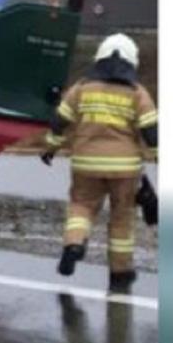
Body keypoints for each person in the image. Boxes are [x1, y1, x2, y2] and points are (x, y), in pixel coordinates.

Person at [42, 33, 158, 292]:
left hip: (86, 164)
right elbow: (151, 131)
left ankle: (74, 244)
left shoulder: (82, 88)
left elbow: (60, 120)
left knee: (81, 207)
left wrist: (51, 146)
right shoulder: (137, 93)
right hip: (125, 169)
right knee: (121, 218)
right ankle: (120, 273)